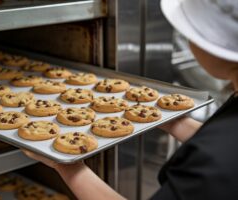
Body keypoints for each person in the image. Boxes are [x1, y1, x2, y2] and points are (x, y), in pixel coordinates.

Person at [24, 0, 238, 199]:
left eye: (191, 34)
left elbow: (218, 153)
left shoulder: (212, 166)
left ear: (216, 45)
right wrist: (174, 121)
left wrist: (67, 165)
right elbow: (219, 142)